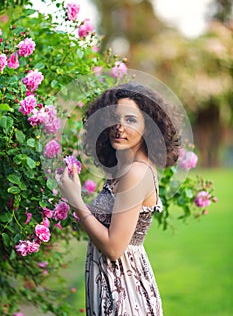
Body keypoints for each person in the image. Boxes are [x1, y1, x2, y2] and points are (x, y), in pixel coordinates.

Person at [58, 82, 181, 315]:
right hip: (109, 284)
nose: (119, 126)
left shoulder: (137, 173)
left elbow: (114, 248)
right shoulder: (123, 169)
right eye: (114, 117)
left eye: (131, 120)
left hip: (124, 293)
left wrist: (76, 201)